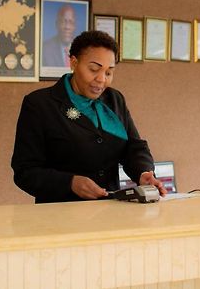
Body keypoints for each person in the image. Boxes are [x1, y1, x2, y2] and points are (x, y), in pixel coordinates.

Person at [12, 30, 166, 203]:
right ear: (73, 62)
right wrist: (70, 183)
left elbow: (134, 147)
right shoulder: (40, 104)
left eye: (109, 73)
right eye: (94, 69)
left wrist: (143, 173)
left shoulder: (114, 99)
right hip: (59, 214)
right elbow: (25, 171)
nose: (101, 79)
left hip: (110, 210)